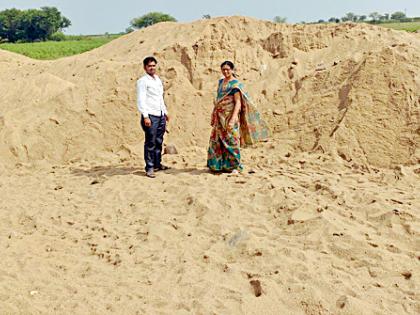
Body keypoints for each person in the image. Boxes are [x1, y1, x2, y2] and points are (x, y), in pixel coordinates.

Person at [207, 61, 270, 173]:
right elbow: (218, 99)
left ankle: (234, 166)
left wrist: (234, 117)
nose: (225, 71)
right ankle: (219, 166)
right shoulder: (221, 82)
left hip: (229, 116)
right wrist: (214, 113)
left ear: (232, 70)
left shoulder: (235, 85)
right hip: (219, 116)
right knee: (216, 140)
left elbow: (238, 102)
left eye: (228, 69)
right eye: (223, 69)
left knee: (231, 140)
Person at [137, 56, 170, 178]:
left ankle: (157, 163)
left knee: (159, 141)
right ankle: (149, 167)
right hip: (150, 115)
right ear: (145, 67)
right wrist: (145, 116)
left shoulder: (157, 80)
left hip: (160, 114)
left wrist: (165, 112)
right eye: (149, 66)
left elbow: (160, 98)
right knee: (150, 142)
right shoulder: (142, 81)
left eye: (153, 65)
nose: (152, 68)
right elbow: (141, 100)